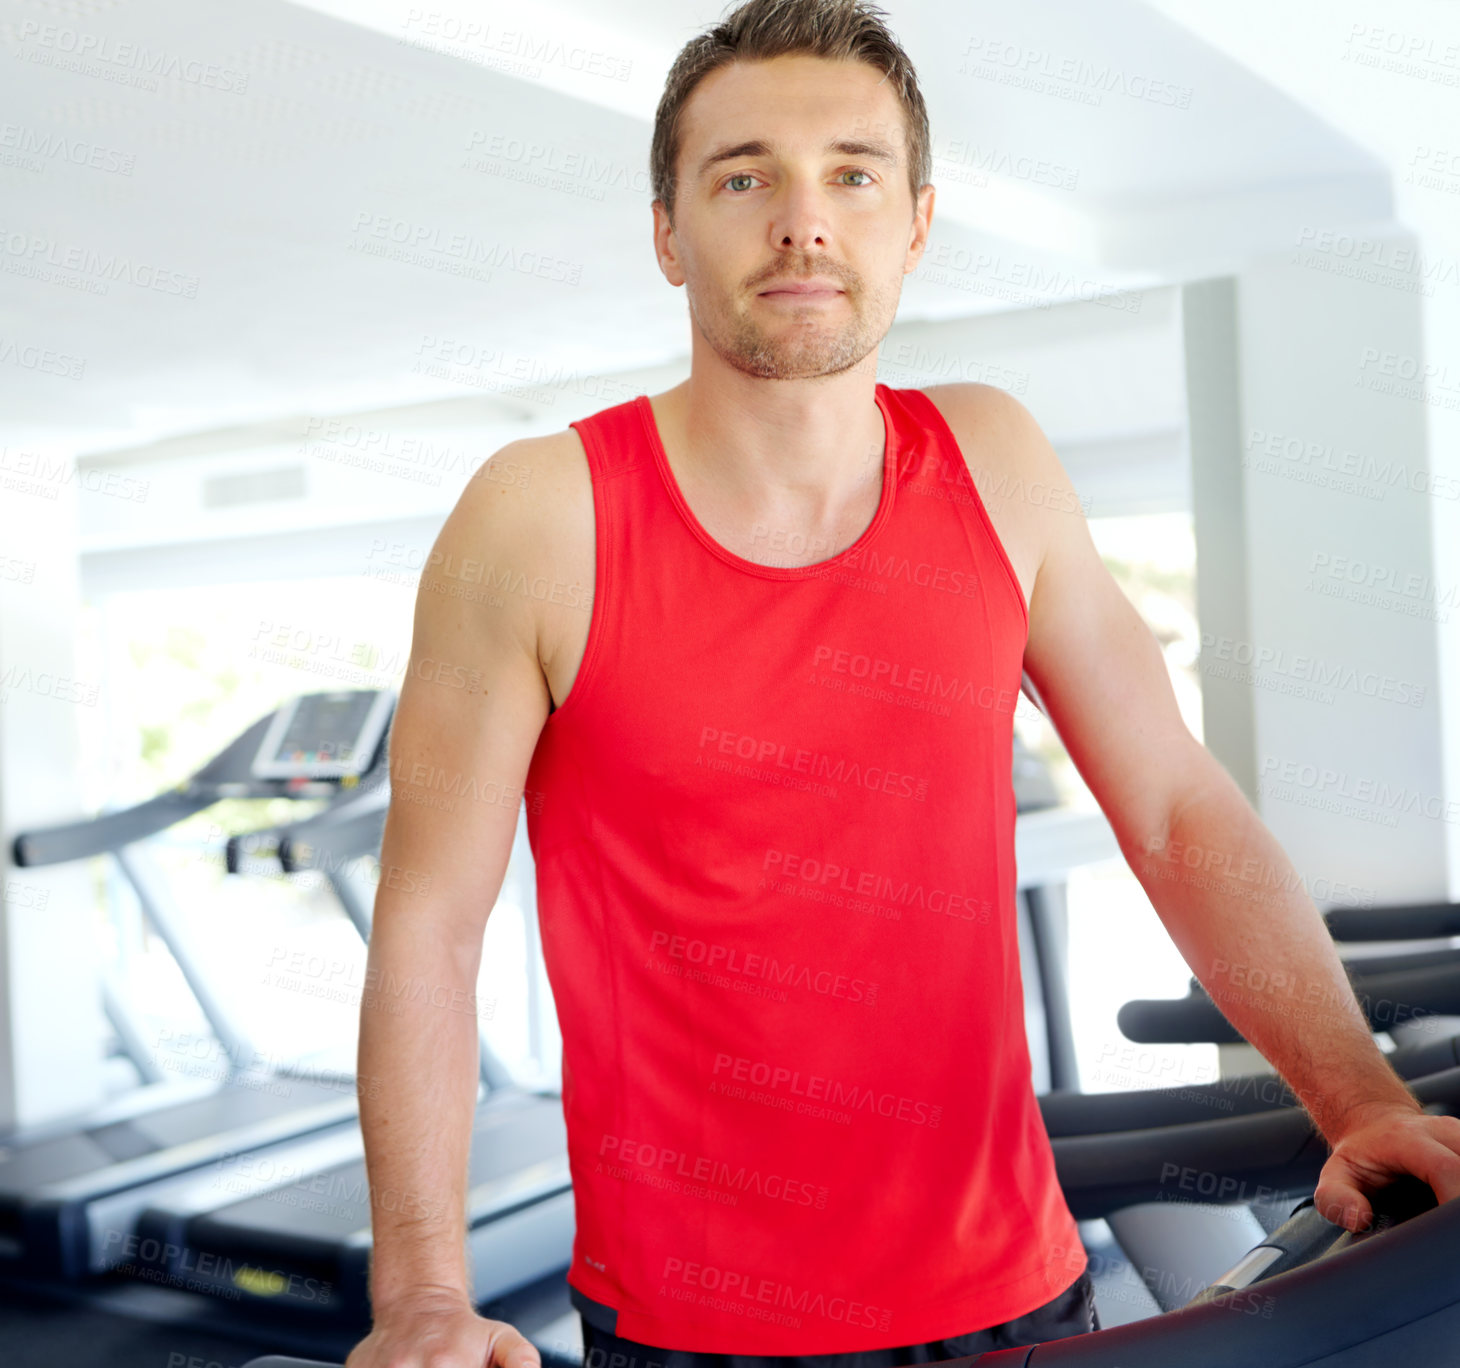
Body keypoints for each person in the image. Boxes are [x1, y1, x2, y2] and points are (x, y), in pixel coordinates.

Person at [344, 1, 1460, 1365]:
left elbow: (1173, 808)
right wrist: (424, 1297)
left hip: (1017, 1294)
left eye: (853, 176)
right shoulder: (540, 518)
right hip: (695, 1330)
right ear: (666, 231)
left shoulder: (995, 463)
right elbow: (430, 928)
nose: (803, 222)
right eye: (744, 176)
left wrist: (1358, 1100)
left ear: (914, 224)